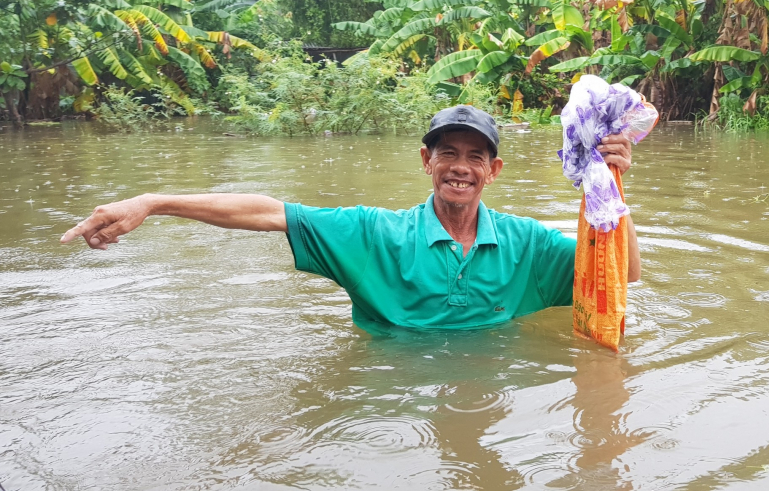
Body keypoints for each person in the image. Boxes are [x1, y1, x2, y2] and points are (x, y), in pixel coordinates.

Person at [60, 105, 640, 330]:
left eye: (474, 157)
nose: (460, 168)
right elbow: (269, 212)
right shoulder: (375, 233)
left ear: (495, 170)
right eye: (448, 154)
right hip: (387, 401)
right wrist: (152, 203)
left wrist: (610, 191)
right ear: (426, 162)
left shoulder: (525, 244)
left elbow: (625, 276)